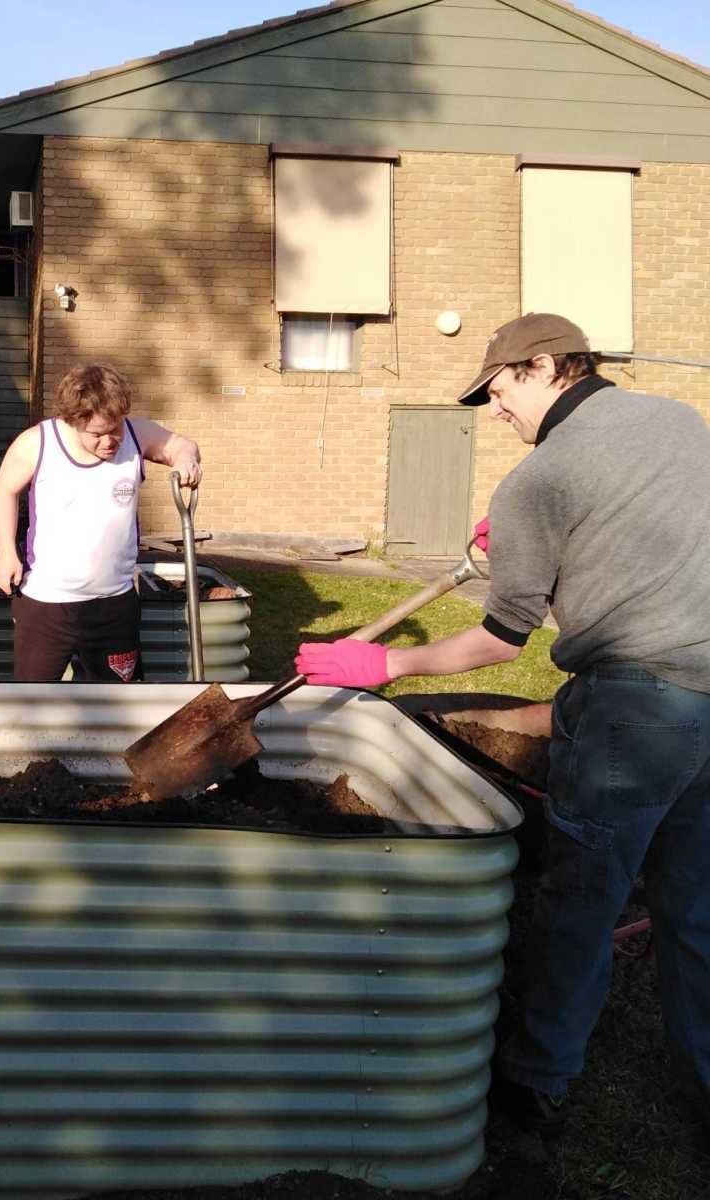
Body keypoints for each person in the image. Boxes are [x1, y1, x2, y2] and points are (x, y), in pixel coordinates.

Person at [295, 313, 710, 1145]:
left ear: (548, 366)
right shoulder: (680, 422)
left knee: (580, 900)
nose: (493, 410)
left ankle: (537, 1079)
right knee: (694, 905)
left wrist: (387, 666)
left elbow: (500, 640)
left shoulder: (537, 481)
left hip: (636, 714)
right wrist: (539, 546)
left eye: (499, 389)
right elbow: (648, 543)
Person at [0, 363, 201, 682]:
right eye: (97, 434)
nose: (109, 441)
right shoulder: (36, 443)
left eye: (114, 429)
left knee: (115, 709)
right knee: (32, 706)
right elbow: (3, 491)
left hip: (113, 604)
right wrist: (6, 551)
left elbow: (181, 446)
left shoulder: (135, 434)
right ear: (72, 421)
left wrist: (186, 460)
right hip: (47, 603)